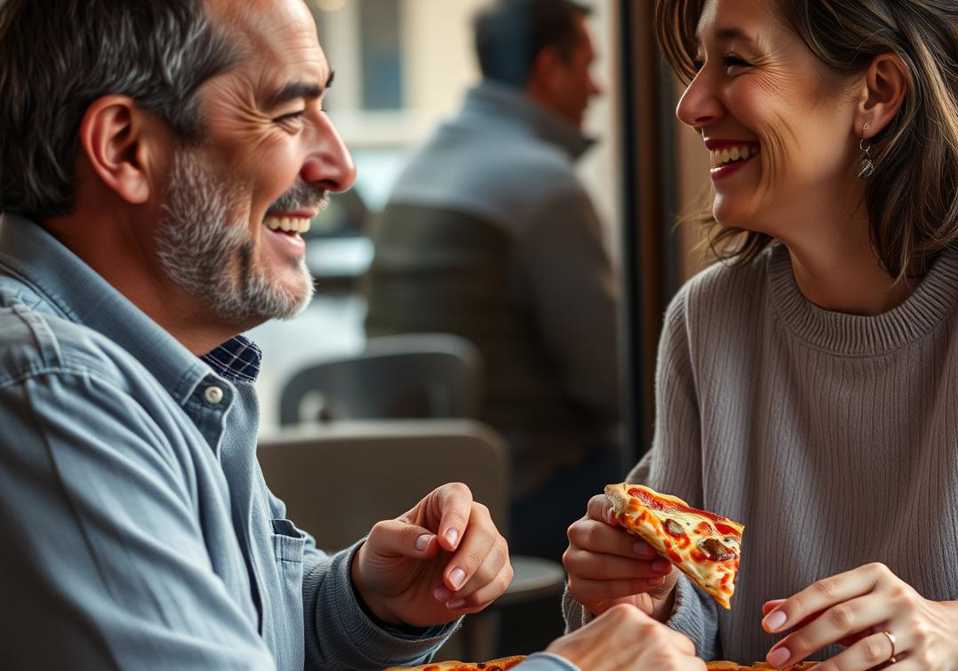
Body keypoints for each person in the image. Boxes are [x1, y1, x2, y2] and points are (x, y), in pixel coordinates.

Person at [0, 1, 703, 670]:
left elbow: (240, 633)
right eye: (289, 114)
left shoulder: (181, 367)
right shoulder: (56, 388)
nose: (340, 165)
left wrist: (366, 600)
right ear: (125, 147)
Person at [562, 0, 958, 668]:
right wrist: (652, 596)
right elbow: (695, 617)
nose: (690, 105)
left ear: (878, 93)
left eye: (736, 61)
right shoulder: (708, 321)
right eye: (698, 65)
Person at [363, 0, 622, 562]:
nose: (598, 88)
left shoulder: (419, 165)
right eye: (587, 66)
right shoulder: (544, 185)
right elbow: (607, 383)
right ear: (549, 69)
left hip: (404, 491)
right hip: (514, 499)